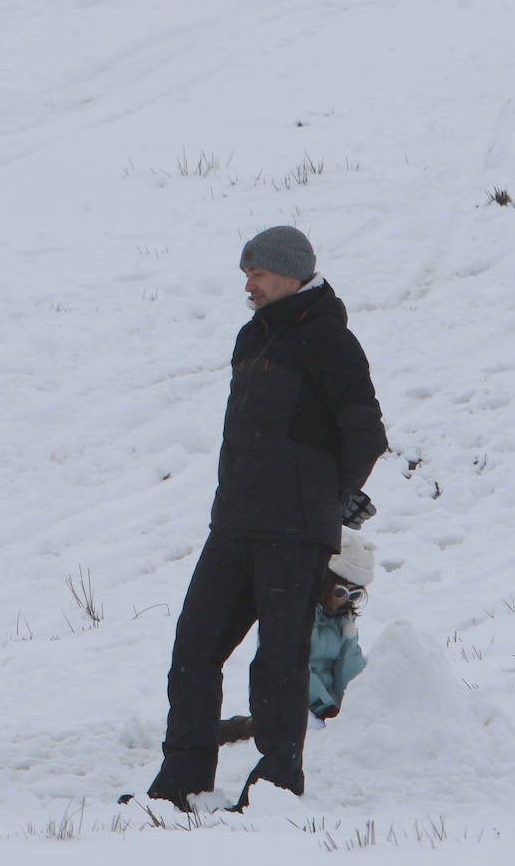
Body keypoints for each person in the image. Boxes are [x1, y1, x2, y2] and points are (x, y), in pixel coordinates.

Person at [147, 225, 387, 812]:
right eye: (245, 274)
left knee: (278, 662)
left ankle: (276, 788)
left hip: (294, 531)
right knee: (193, 651)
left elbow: (366, 431)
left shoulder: (331, 341)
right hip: (234, 524)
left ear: (292, 275)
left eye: (257, 273)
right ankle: (182, 782)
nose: (248, 284)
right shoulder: (252, 337)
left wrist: (334, 497)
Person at [218, 529, 374, 744]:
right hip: (287, 695)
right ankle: (233, 729)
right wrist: (325, 706)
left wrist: (357, 700)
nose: (344, 601)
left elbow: (349, 662)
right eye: (340, 592)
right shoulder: (296, 614)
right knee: (302, 733)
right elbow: (296, 666)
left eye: (354, 594)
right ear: (323, 580)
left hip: (324, 700)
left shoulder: (343, 619)